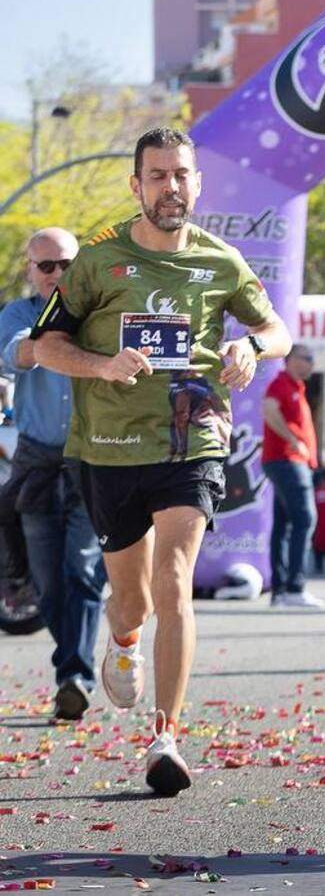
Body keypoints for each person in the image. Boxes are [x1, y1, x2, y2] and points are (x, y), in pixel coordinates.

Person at [32, 126, 292, 796]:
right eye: (157, 176)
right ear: (136, 185)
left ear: (196, 184)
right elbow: (45, 345)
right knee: (133, 602)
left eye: (180, 175)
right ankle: (122, 642)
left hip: (191, 442)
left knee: (175, 581)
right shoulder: (98, 260)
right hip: (110, 449)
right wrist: (102, 365)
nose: (170, 187)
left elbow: (276, 329)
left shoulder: (221, 261)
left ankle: (166, 738)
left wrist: (250, 348)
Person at [0, 227, 105, 720]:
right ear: (31, 270)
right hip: (38, 461)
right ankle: (73, 668)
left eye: (67, 264)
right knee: (46, 583)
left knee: (82, 568)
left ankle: (74, 677)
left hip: (93, 459)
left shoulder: (99, 314)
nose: (57, 273)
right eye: (47, 266)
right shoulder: (19, 315)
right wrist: (55, 342)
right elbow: (16, 353)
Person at [261, 344, 322, 608]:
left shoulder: (296, 387)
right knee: (305, 519)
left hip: (288, 462)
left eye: (312, 359)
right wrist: (293, 440)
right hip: (287, 461)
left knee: (284, 525)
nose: (311, 363)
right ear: (291, 359)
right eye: (306, 358)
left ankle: (280, 592)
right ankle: (294, 588)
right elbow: (268, 409)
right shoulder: (281, 383)